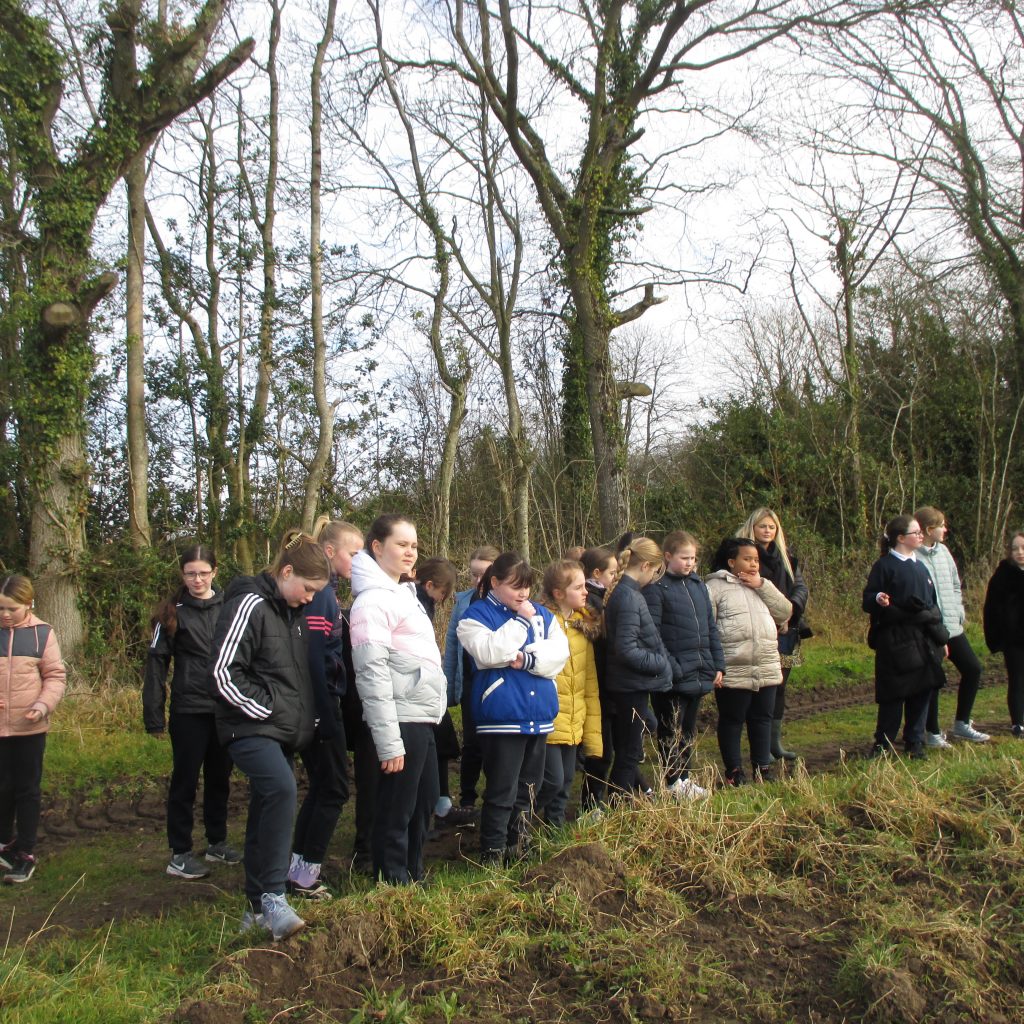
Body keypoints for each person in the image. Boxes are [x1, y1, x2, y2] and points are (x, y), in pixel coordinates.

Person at [210, 529, 329, 940]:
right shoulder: (249, 603)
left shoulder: (292, 613)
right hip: (247, 726)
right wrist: (268, 711)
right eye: (308, 588)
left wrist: (303, 719)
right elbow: (224, 672)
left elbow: (293, 678)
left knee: (266, 809)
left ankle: (254, 908)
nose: (311, 597)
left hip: (279, 731)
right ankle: (275, 897)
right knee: (281, 789)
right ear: (287, 571)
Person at [350, 515, 447, 884]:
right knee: (398, 807)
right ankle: (392, 883)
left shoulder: (402, 594)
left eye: (414, 545)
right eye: (401, 544)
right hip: (400, 718)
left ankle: (412, 874)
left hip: (421, 716)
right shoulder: (371, 602)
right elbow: (371, 675)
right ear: (377, 547)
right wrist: (389, 743)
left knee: (424, 802)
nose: (411, 552)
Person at [457, 552, 568, 862]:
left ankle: (516, 844)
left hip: (539, 714)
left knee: (531, 787)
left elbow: (558, 656)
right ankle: (492, 851)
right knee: (502, 789)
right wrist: (520, 623)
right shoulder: (475, 616)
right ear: (494, 583)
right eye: (515, 587)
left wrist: (528, 659)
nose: (523, 594)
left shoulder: (544, 615)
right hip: (501, 716)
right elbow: (491, 652)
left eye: (527, 587)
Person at [144, 545, 238, 881]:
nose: (197, 579)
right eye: (190, 573)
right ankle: (179, 852)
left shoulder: (231, 605)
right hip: (188, 710)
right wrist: (153, 715)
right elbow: (156, 664)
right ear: (182, 575)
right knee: (185, 781)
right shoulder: (172, 612)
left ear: (215, 570)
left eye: (202, 572)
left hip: (225, 708)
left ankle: (217, 841)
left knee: (220, 778)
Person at [288, 519, 364, 899]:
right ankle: (305, 875)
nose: (359, 560)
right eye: (354, 552)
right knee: (333, 788)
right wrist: (322, 714)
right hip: (319, 705)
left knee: (324, 786)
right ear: (330, 552)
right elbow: (315, 656)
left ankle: (299, 868)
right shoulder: (321, 595)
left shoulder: (327, 593)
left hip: (316, 704)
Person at [706, 538, 792, 785]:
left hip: (766, 664)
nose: (754, 564)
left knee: (762, 718)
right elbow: (708, 626)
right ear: (732, 562)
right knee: (733, 720)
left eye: (756, 559)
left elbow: (785, 612)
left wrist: (762, 585)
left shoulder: (763, 585)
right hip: (734, 666)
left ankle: (762, 769)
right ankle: (734, 772)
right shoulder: (714, 587)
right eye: (747, 559)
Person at [644, 531, 723, 800]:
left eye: (693, 558)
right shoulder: (657, 589)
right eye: (684, 557)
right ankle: (673, 780)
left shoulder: (699, 586)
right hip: (672, 675)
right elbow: (653, 634)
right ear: (668, 557)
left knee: (688, 729)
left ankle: (686, 778)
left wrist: (717, 664)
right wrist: (673, 667)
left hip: (699, 669)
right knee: (670, 729)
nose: (689, 563)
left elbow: (711, 628)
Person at [863, 515, 949, 760]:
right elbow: (868, 599)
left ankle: (916, 744)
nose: (921, 536)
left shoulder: (921, 566)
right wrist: (879, 598)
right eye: (916, 532)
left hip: (923, 640)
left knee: (922, 692)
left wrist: (940, 639)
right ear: (901, 538)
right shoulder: (885, 566)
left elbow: (932, 605)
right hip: (895, 640)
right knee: (894, 695)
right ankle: (883, 746)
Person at [0, 574, 66, 884]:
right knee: (3, 787)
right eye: (0, 608)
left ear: (28, 604)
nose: (4, 615)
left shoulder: (42, 633)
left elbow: (55, 677)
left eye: (11, 609)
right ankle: (4, 845)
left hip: (29, 728)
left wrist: (42, 706)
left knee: (26, 790)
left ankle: (25, 852)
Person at [737, 508, 809, 762]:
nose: (767, 531)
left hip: (787, 629)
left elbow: (799, 587)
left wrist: (791, 613)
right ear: (752, 528)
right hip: (757, 629)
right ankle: (759, 743)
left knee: (779, 686)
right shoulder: (743, 555)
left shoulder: (787, 557)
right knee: (758, 688)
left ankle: (774, 742)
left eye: (771, 527)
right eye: (762, 526)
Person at [603, 537, 672, 798]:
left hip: (628, 684)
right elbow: (627, 649)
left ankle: (639, 793)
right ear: (645, 566)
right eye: (655, 571)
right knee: (629, 753)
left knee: (628, 749)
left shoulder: (623, 592)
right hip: (630, 685)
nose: (654, 577)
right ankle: (616, 808)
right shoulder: (629, 597)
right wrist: (660, 663)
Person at [914, 506, 989, 745]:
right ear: (928, 530)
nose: (945, 529)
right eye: (941, 525)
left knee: (973, 668)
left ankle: (962, 724)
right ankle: (932, 732)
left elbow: (956, 585)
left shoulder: (944, 552)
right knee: (934, 679)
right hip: (930, 631)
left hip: (952, 628)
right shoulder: (914, 556)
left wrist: (958, 611)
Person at [537, 559, 602, 826]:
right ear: (558, 593)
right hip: (550, 718)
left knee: (565, 781)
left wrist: (593, 736)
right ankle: (516, 820)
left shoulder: (582, 625)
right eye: (578, 587)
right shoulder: (541, 623)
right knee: (553, 779)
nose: (586, 592)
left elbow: (589, 681)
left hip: (575, 718)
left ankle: (554, 829)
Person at [442, 545, 498, 818]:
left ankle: (495, 796)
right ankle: (466, 797)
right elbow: (452, 647)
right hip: (469, 685)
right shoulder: (463, 602)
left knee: (494, 745)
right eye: (474, 574)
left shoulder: (507, 602)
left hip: (497, 687)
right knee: (472, 744)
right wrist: (449, 689)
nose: (477, 581)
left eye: (483, 575)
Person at [412, 558, 460, 825]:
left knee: (442, 736)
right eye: (442, 595)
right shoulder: (416, 603)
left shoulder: (424, 602)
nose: (441, 601)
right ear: (430, 585)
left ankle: (441, 800)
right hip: (419, 692)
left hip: (430, 687)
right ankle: (434, 805)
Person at [579, 546, 618, 808]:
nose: (615, 577)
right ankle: (591, 804)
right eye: (612, 572)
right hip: (596, 685)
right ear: (596, 573)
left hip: (600, 683)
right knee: (600, 749)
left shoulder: (599, 598)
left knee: (605, 747)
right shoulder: (592, 603)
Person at [983, 531, 1024, 738]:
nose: (1020, 553)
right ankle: (1018, 724)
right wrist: (997, 638)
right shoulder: (1002, 576)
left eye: (1023, 548)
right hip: (1014, 639)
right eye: (1015, 548)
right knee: (1017, 679)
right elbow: (991, 610)